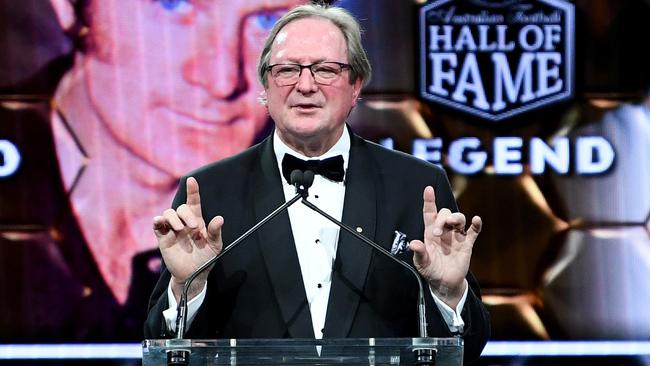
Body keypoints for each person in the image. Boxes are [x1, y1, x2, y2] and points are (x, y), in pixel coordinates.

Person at [144, 3, 490, 362]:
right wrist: (188, 287)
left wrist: (448, 293)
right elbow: (161, 345)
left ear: (356, 85)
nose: (305, 85)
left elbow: (470, 345)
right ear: (265, 85)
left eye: (325, 70)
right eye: (288, 70)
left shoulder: (418, 187)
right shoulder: (210, 191)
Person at [0, 0, 306, 341]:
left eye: (268, 20)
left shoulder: (321, 215)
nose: (222, 81)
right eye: (172, 5)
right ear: (68, 8)